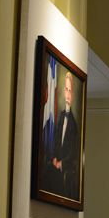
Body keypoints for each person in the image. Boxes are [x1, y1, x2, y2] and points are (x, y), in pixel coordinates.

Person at [47, 71, 80, 199]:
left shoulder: (74, 124)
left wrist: (61, 164)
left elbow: (73, 152)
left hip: (66, 167)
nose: (67, 94)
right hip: (56, 164)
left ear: (72, 95)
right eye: (66, 89)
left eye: (70, 90)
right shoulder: (60, 116)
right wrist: (55, 157)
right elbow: (56, 140)